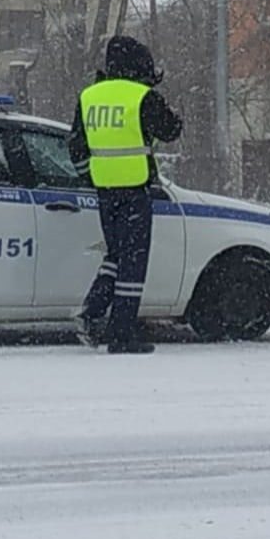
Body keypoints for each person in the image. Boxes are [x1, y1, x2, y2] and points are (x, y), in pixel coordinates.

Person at [70, 35, 183, 354]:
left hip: (105, 192)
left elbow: (76, 145)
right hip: (134, 190)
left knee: (116, 255)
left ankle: (92, 312)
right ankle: (121, 333)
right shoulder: (142, 96)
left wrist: (89, 176)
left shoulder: (89, 96)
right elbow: (171, 130)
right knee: (133, 261)